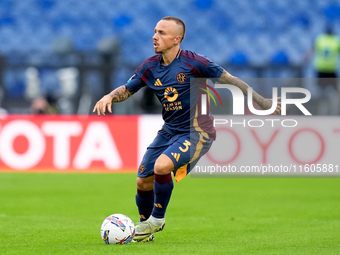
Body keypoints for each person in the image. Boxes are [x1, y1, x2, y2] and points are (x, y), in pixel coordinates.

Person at [93, 16, 281, 242]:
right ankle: (144, 230)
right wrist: (110, 96)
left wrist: (262, 102)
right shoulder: (150, 66)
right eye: (155, 31)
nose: (155, 36)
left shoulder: (195, 63)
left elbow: (230, 80)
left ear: (176, 39)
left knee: (162, 166)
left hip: (197, 131)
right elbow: (128, 88)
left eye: (162, 33)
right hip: (169, 130)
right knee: (143, 180)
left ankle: (157, 220)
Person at [311, 27, 340, 115]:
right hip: (331, 70)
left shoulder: (320, 39)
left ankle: (321, 112)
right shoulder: (336, 40)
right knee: (335, 92)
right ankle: (333, 112)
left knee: (322, 92)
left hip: (320, 69)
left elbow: (312, 50)